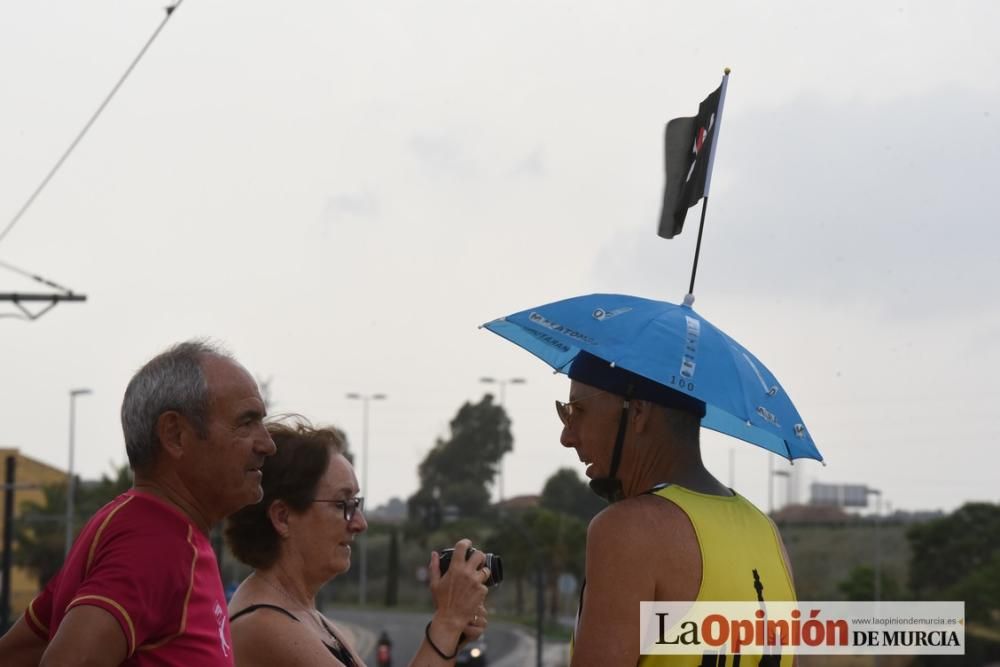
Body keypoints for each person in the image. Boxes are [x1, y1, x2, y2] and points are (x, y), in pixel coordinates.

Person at [0, 340, 276, 667]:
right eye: (246, 422)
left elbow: (16, 654)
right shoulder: (156, 544)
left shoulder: (131, 526)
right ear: (175, 434)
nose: (267, 444)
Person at [558, 351, 797, 667]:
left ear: (638, 412)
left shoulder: (628, 530)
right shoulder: (767, 533)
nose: (567, 436)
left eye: (578, 410)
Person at [224, 419, 490, 667]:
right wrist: (448, 622)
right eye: (343, 504)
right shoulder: (264, 625)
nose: (360, 523)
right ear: (283, 518)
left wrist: (451, 636)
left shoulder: (306, 618)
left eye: (356, 504)